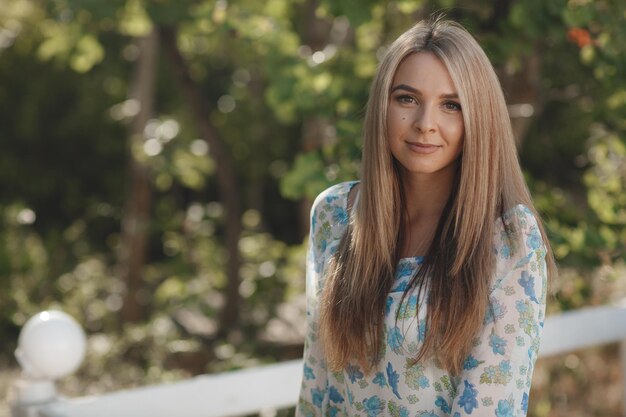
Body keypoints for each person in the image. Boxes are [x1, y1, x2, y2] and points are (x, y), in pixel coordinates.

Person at [296, 17, 557, 417]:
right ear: (382, 104)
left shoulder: (509, 239)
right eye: (407, 99)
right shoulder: (333, 215)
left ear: (478, 119)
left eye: (451, 105)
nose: (425, 124)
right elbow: (318, 390)